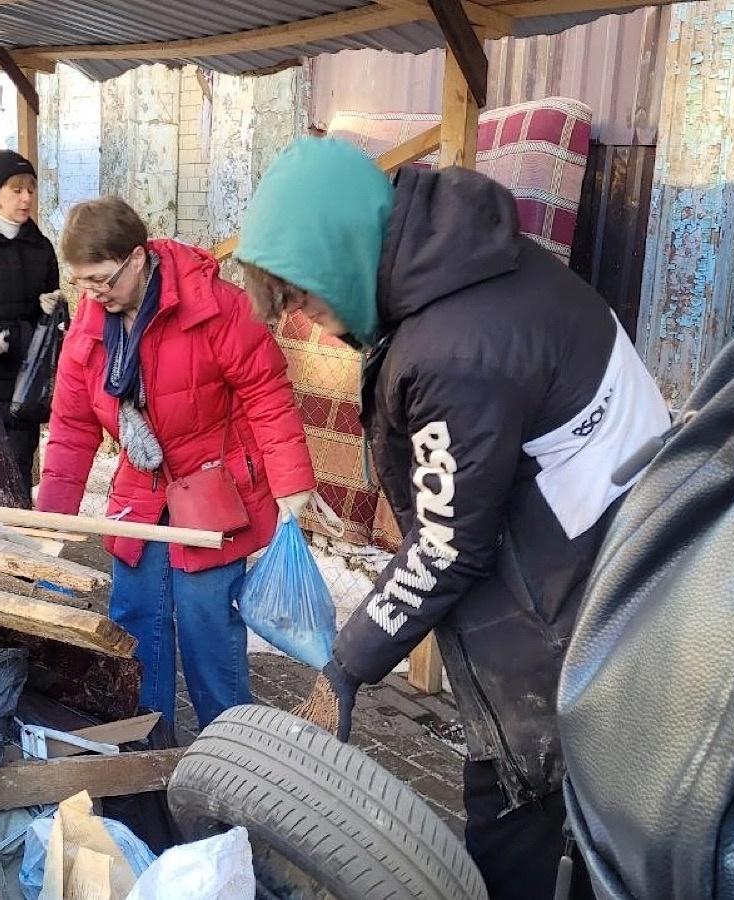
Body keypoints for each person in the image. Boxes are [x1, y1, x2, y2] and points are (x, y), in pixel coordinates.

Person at [234, 138, 671, 899]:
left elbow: (447, 543)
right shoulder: (464, 261)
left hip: (569, 626)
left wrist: (348, 666)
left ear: (341, 254)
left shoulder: (453, 351)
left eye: (305, 299)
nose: (317, 324)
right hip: (622, 564)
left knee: (515, 832)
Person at [35, 197, 315, 730]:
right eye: (83, 284)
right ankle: (146, 757)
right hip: (140, 495)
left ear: (138, 258)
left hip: (213, 493)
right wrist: (53, 520)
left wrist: (291, 484)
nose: (93, 296)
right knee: (135, 632)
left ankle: (233, 763)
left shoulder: (216, 306)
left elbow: (266, 389)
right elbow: (71, 429)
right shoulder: (90, 330)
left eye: (102, 280)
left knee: (208, 632)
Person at [0, 149, 63, 496]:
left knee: (18, 476)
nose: (26, 199)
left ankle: (18, 541)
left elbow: (54, 330)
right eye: (16, 190)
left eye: (31, 190)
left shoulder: (42, 248)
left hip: (26, 383)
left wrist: (51, 310)